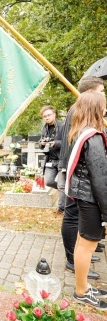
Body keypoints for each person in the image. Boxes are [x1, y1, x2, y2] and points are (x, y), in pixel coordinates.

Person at [58, 76, 106, 279]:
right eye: (101, 91)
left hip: (79, 173)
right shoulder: (77, 110)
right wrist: (70, 172)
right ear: (91, 93)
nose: (103, 94)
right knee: (71, 216)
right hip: (76, 173)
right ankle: (72, 259)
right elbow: (72, 143)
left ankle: (79, 258)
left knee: (79, 222)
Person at [66, 92, 107, 310]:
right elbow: (100, 177)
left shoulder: (82, 132)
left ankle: (82, 286)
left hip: (84, 195)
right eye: (104, 105)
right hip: (92, 197)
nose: (106, 109)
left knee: (83, 241)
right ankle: (81, 291)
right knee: (88, 244)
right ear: (95, 109)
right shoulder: (94, 137)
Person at [39, 105, 64, 214]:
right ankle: (65, 192)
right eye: (45, 116)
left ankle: (61, 209)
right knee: (48, 181)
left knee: (62, 185)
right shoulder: (44, 128)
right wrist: (42, 143)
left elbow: (70, 142)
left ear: (54, 114)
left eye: (49, 115)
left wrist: (56, 143)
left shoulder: (63, 126)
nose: (47, 118)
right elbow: (40, 143)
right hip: (50, 160)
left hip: (62, 160)